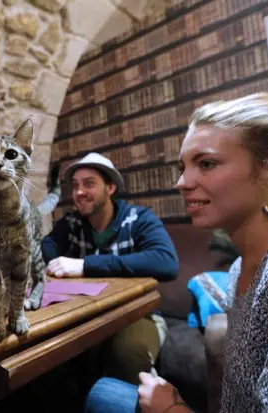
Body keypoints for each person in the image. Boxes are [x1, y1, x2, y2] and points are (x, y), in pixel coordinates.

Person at [85, 93, 268, 413]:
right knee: (102, 391)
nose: (182, 182)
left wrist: (171, 410)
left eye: (207, 163)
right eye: (183, 167)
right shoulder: (240, 269)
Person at [41, 152, 179, 385]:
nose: (79, 192)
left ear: (110, 187)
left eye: (89, 184)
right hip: (85, 316)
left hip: (137, 314)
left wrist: (86, 265)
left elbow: (166, 262)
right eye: (75, 186)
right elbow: (46, 248)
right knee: (51, 362)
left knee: (127, 353)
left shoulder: (138, 218)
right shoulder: (71, 224)